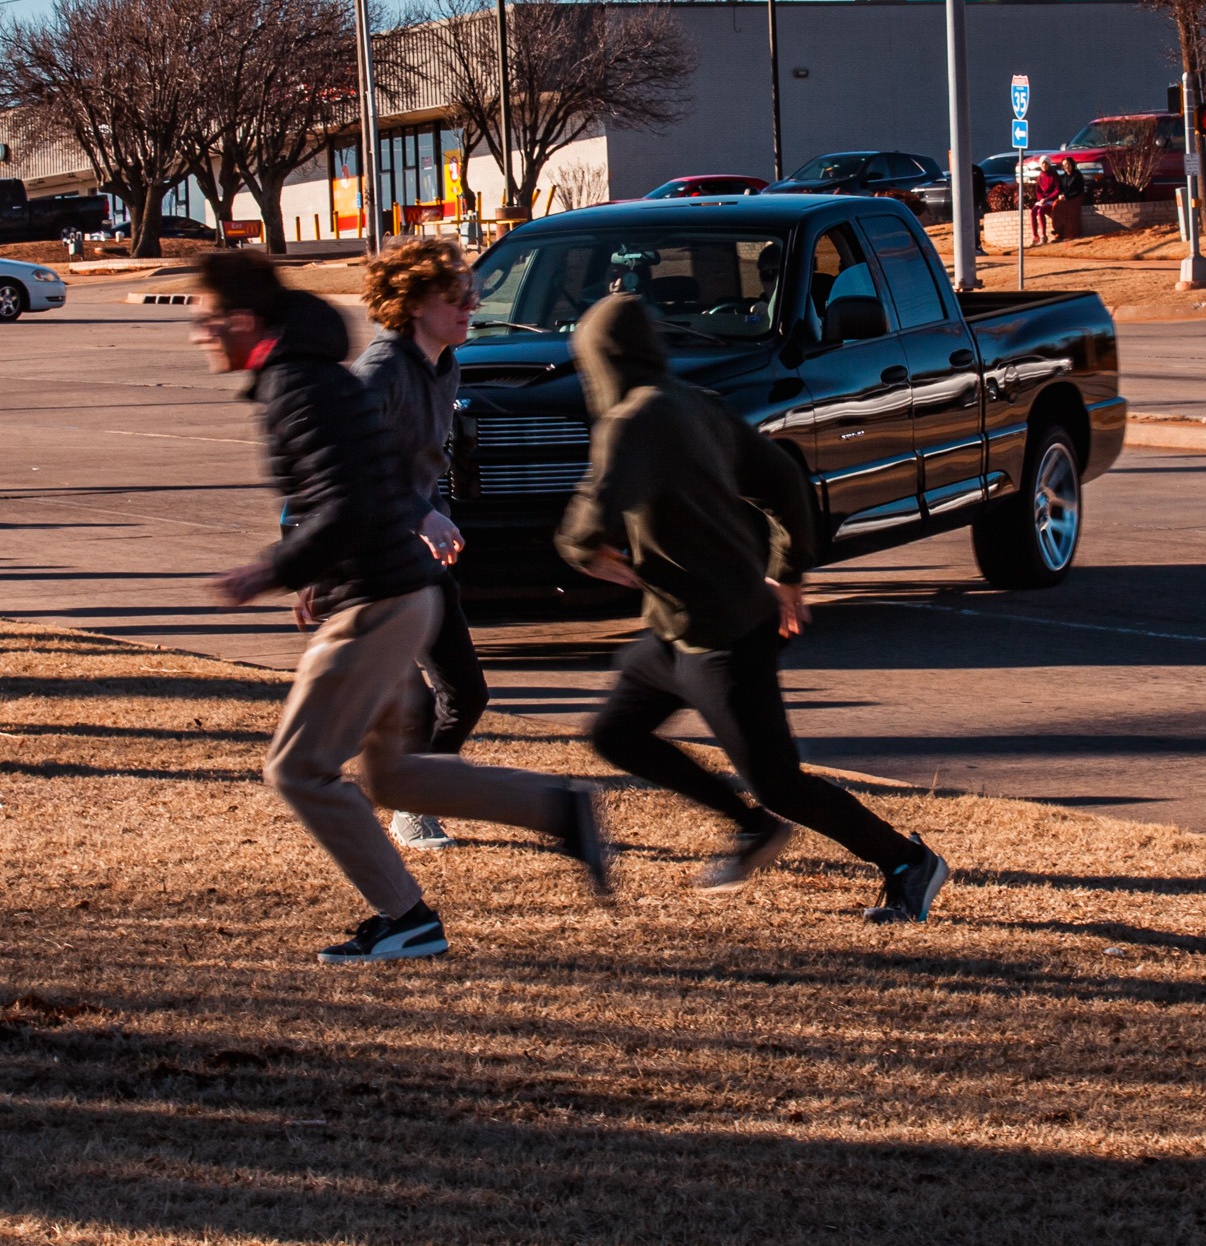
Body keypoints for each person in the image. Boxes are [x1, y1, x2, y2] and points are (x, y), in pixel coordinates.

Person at [191, 250, 608, 966]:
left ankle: (406, 918)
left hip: (378, 600)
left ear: (243, 320)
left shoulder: (300, 383)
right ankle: (558, 808)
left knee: (297, 769)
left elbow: (351, 497)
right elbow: (366, 481)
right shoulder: (317, 374)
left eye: (204, 322)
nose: (197, 336)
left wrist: (275, 567)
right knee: (391, 776)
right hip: (399, 590)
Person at [555, 293, 950, 923]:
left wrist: (586, 549)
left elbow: (591, 513)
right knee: (616, 733)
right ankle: (750, 827)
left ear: (600, 362)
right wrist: (788, 571)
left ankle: (906, 861)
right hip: (677, 631)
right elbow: (784, 479)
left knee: (780, 782)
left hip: (723, 634)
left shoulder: (633, 420)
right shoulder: (694, 404)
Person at [351, 236, 487, 851]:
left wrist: (437, 512)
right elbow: (349, 465)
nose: (468, 307)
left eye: (470, 294)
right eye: (454, 296)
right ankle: (409, 805)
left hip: (417, 548)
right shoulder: (379, 372)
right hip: (370, 556)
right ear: (411, 302)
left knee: (466, 693)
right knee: (406, 697)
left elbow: (423, 462)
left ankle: (412, 793)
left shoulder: (444, 363)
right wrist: (417, 514)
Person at [1053, 156, 1086, 241]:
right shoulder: (1063, 177)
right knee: (1056, 205)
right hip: (1065, 198)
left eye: (1068, 164)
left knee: (1070, 209)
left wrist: (1067, 197)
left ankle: (1070, 233)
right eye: (1064, 165)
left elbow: (1079, 190)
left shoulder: (1077, 175)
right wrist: (1061, 195)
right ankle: (1058, 232)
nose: (1066, 166)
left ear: (1072, 164)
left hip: (1076, 197)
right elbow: (1060, 189)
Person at [1030, 158, 1061, 245]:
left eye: (1046, 164)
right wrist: (1041, 199)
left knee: (1041, 211)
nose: (1044, 166)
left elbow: (1057, 189)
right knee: (1033, 212)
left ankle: (1043, 236)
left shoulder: (1053, 174)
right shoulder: (1040, 176)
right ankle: (1035, 236)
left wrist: (1047, 199)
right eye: (1042, 164)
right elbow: (1038, 190)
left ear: (1049, 164)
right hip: (1043, 200)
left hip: (1051, 200)